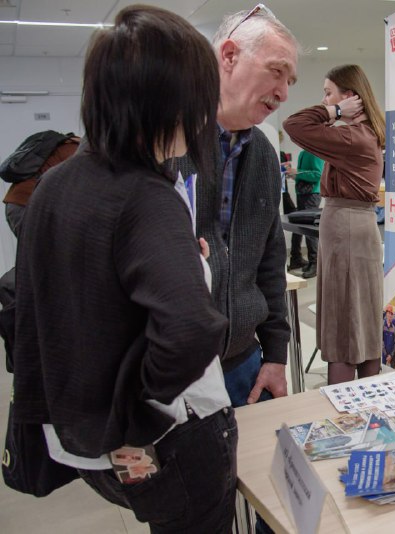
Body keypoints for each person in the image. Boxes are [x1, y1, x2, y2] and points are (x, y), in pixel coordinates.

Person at [13, 6, 237, 531]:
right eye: (199, 101)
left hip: (87, 441)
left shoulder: (54, 186)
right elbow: (191, 329)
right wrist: (137, 404)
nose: (204, 117)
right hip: (171, 437)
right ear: (167, 99)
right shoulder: (145, 194)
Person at [174, 5, 298, 407]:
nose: (283, 92)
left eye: (290, 80)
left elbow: (270, 261)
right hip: (171, 373)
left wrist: (277, 355)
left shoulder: (262, 154)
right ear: (228, 56)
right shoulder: (162, 141)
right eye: (276, 71)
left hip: (244, 364)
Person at [283, 64, 385, 385]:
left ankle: (342, 403)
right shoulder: (362, 133)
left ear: (351, 97)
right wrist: (335, 107)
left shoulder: (351, 135)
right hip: (354, 226)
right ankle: (367, 397)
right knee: (361, 316)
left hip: (347, 228)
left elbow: (293, 124)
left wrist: (335, 111)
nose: (324, 100)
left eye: (329, 93)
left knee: (344, 318)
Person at [287, 149, 324, 278]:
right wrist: (294, 174)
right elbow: (306, 173)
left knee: (309, 229)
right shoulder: (304, 152)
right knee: (299, 227)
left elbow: (318, 175)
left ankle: (315, 263)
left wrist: (298, 173)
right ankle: (297, 259)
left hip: (311, 194)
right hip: (303, 193)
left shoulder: (315, 152)